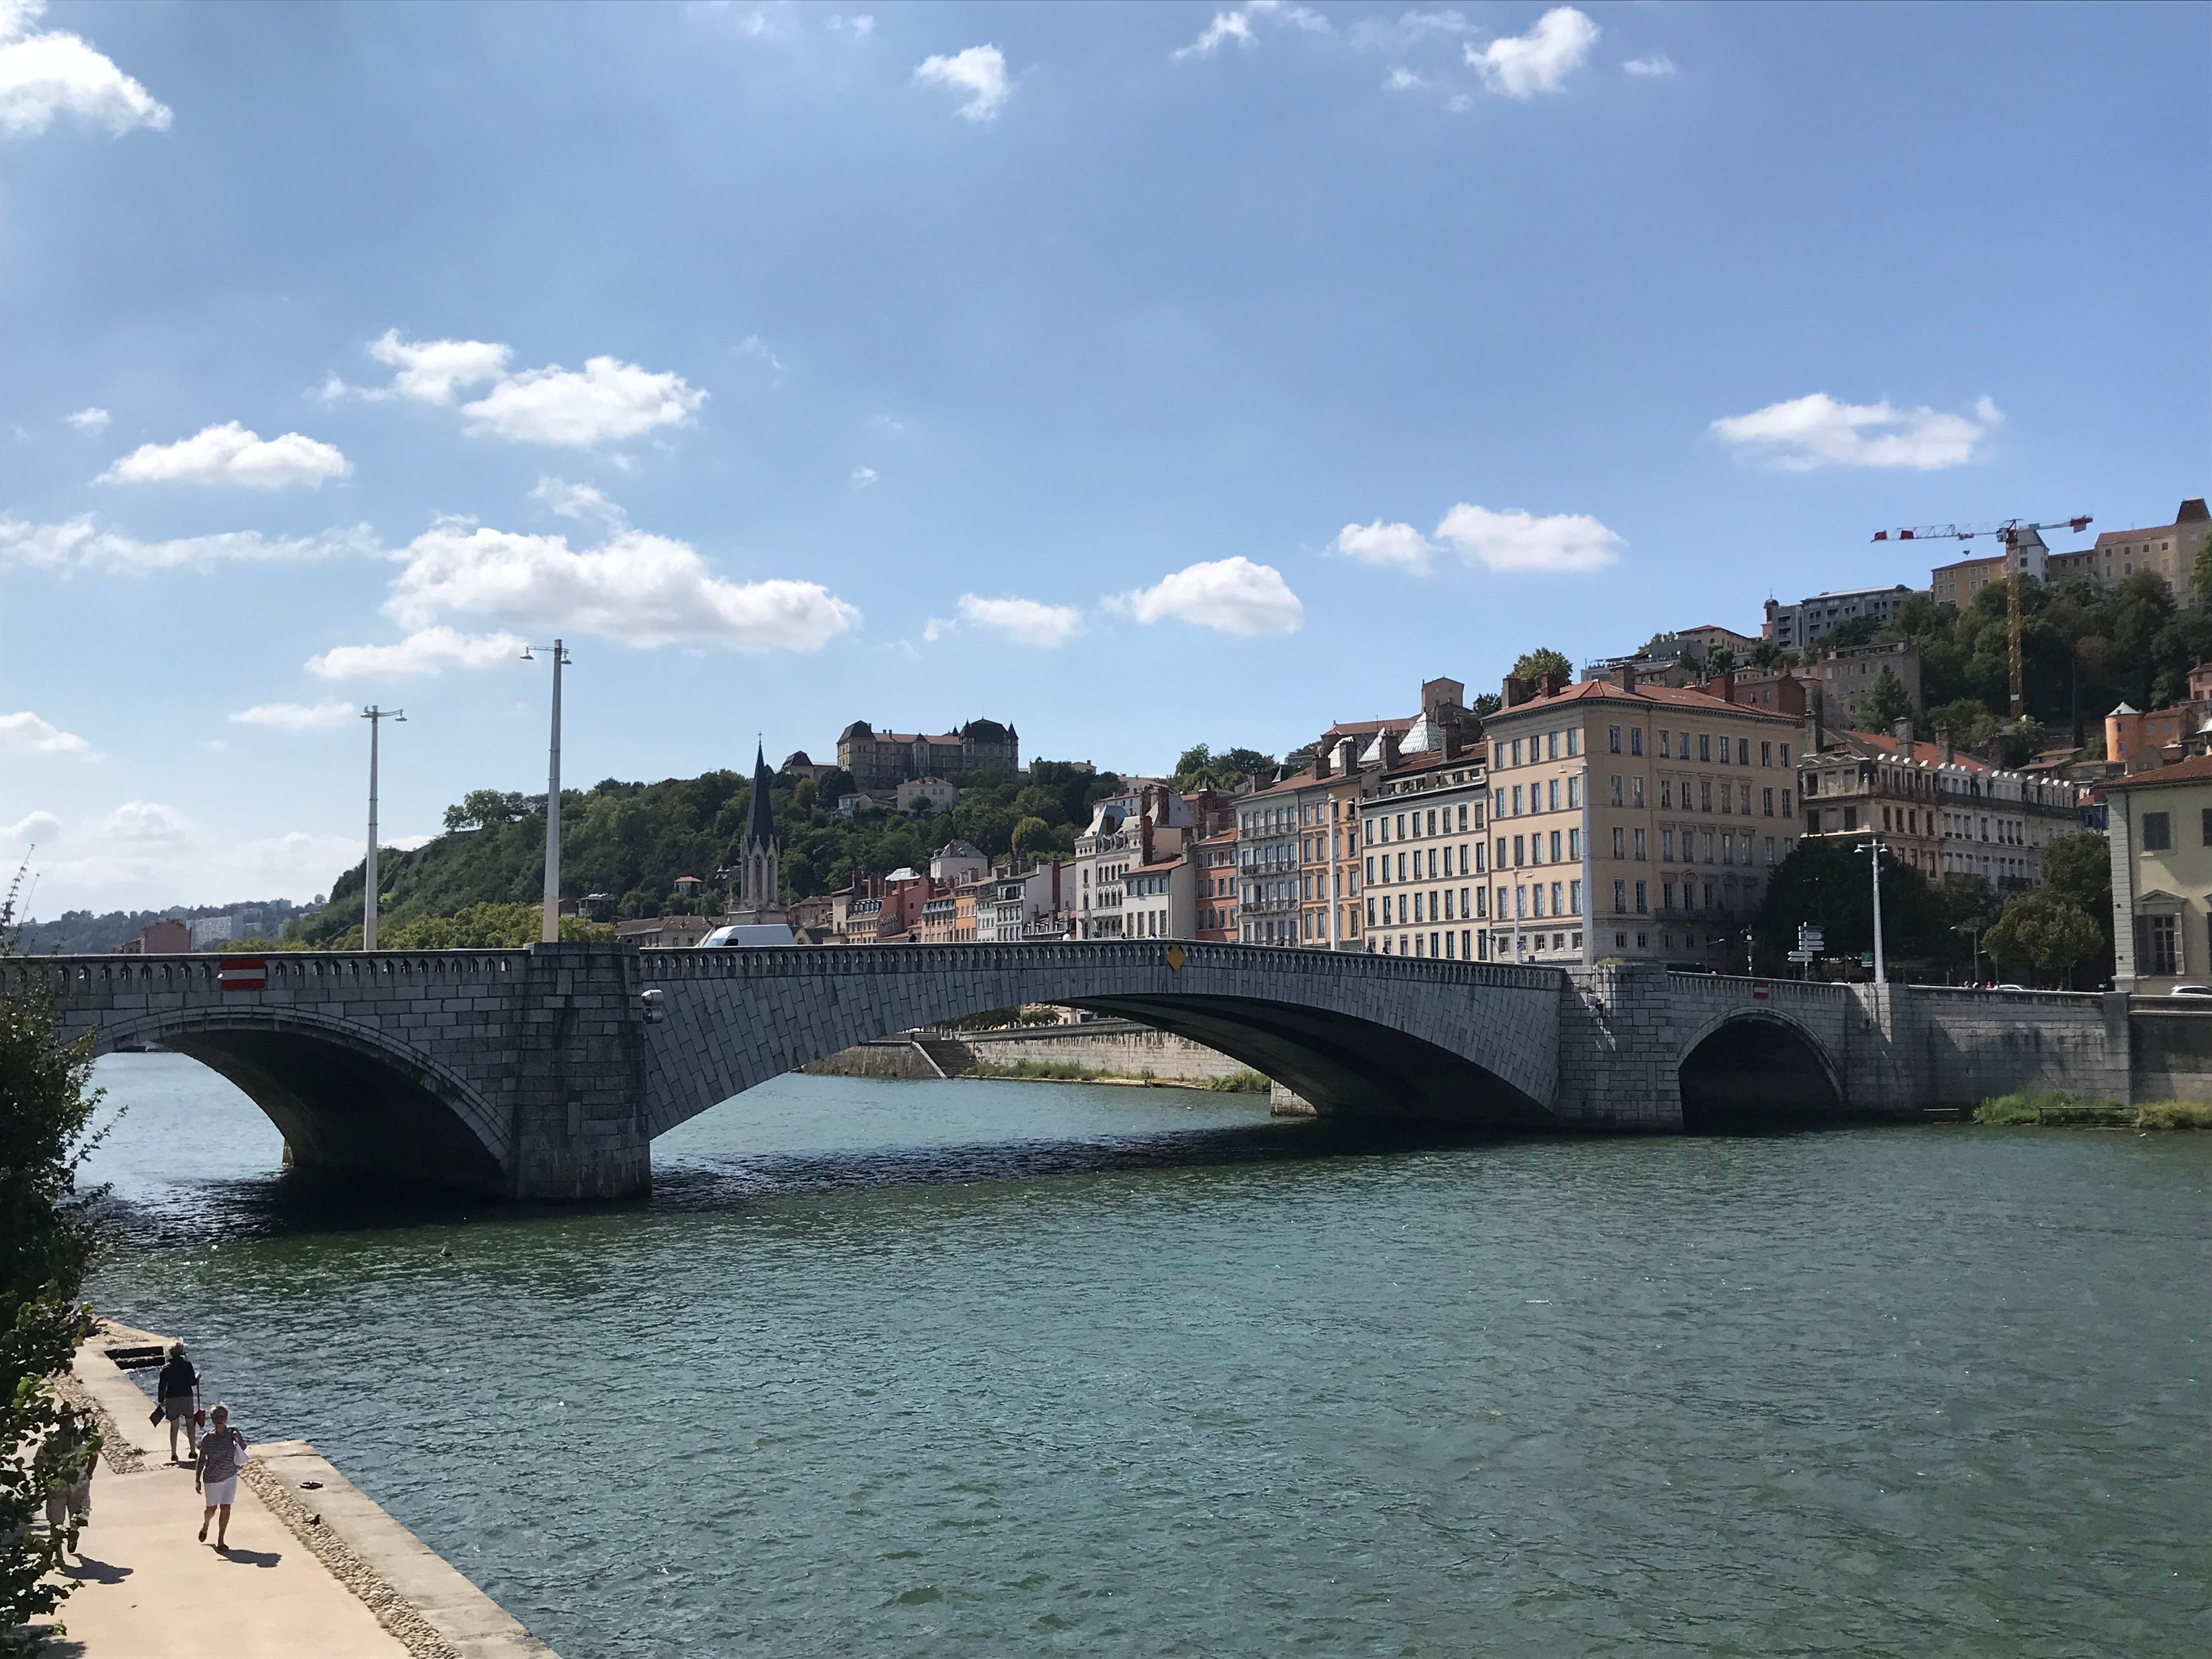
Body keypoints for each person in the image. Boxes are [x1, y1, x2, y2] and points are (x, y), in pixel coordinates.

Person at [40, 1407, 95, 1558]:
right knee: (55, 1520)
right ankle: (58, 1552)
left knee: (78, 1516)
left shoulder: (83, 1439)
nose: (67, 1424)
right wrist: (43, 1477)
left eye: (69, 1420)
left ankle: (73, 1534)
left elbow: (94, 1454)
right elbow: (40, 1458)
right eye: (64, 1421)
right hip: (58, 1485)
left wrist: (89, 1474)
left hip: (79, 1484)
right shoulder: (51, 1442)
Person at [194, 1404, 247, 1550]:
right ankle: (206, 1525)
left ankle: (221, 1539)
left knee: (226, 1507)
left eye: (222, 1417)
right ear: (212, 1419)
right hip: (212, 1479)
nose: (220, 1419)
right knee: (211, 1510)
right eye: (217, 1417)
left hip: (230, 1476)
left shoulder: (232, 1434)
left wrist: (238, 1439)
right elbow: (201, 1459)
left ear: (226, 1418)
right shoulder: (207, 1439)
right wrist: (197, 1479)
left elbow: (243, 1448)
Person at [155, 1343, 199, 1464]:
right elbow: (192, 1382)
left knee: (174, 1427)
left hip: (172, 1397)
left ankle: (174, 1454)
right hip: (186, 1396)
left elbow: (162, 1387)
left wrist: (161, 1400)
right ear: (182, 1352)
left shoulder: (166, 1369)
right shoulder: (188, 1365)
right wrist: (197, 1379)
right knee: (190, 1424)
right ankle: (193, 1451)